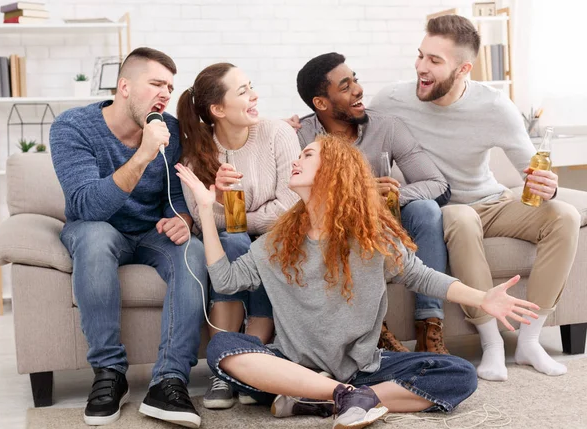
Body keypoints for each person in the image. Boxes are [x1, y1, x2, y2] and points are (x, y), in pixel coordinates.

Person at [176, 134, 540, 429]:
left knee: (460, 376)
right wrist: (207, 212)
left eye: (307, 154)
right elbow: (225, 278)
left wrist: (482, 298)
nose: (295, 161)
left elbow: (421, 275)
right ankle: (343, 396)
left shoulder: (369, 238)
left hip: (364, 368)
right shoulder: (276, 241)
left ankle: (327, 399)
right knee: (223, 349)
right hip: (295, 366)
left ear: (334, 170)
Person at [369, 15, 581, 381]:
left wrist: (548, 184)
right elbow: (352, 129)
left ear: (464, 69)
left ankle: (530, 341)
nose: (421, 67)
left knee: (565, 215)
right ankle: (492, 344)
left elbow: (530, 168)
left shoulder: (494, 106)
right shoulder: (391, 99)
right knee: (462, 218)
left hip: (493, 201)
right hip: (445, 209)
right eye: (421, 56)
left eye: (434, 61)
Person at [50, 47, 206, 427]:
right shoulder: (72, 128)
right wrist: (142, 156)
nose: (165, 93)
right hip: (97, 229)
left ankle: (169, 381)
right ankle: (109, 374)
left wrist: (182, 218)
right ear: (124, 86)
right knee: (96, 236)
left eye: (169, 86)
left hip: (149, 234)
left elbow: (173, 197)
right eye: (156, 83)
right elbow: (88, 206)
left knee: (193, 250)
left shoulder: (169, 128)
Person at [292, 52, 452, 354]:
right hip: (336, 226)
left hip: (386, 223)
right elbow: (297, 201)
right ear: (321, 103)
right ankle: (375, 329)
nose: (358, 90)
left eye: (355, 80)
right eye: (345, 86)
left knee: (427, 210)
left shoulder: (387, 127)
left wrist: (394, 195)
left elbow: (438, 184)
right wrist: (358, 195)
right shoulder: (301, 138)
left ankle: (429, 326)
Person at [177, 63, 301, 409]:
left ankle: (244, 367)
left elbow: (292, 205)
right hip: (233, 248)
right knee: (233, 243)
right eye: (243, 91)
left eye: (251, 86)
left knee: (253, 242)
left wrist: (238, 220)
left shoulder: (278, 134)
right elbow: (204, 226)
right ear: (218, 110)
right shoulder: (195, 156)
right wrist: (216, 200)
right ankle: (227, 369)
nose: (254, 95)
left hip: (276, 241)